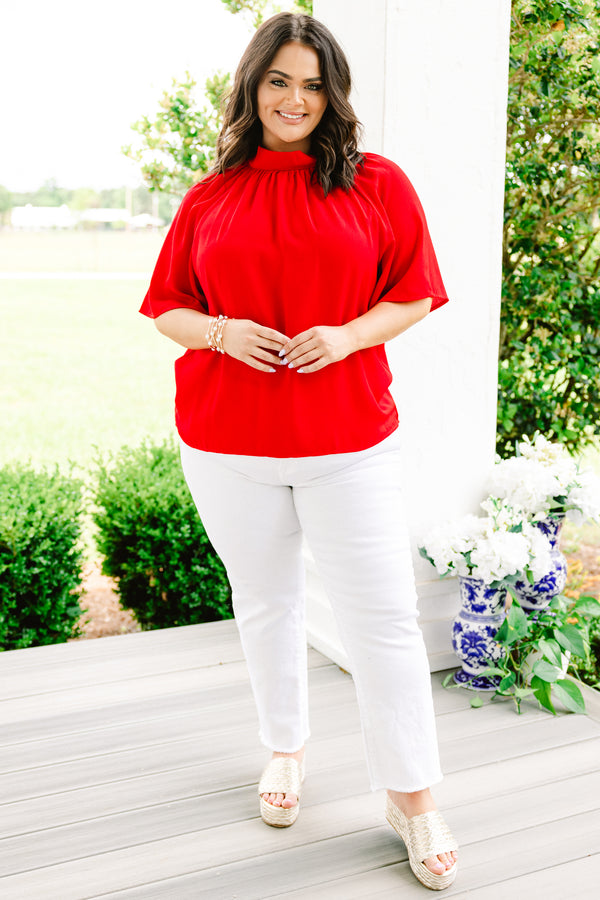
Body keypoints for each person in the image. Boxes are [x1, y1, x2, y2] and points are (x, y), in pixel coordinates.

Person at [141, 11, 458, 891]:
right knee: (267, 601)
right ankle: (285, 749)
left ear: (334, 93)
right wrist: (219, 332)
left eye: (313, 83)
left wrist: (350, 336)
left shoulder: (378, 184)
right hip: (227, 441)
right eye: (279, 80)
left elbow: (416, 295)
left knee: (384, 620)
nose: (295, 98)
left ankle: (414, 798)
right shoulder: (211, 194)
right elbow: (166, 305)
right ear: (253, 87)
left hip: (347, 439)